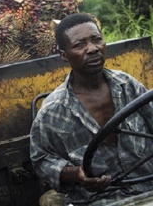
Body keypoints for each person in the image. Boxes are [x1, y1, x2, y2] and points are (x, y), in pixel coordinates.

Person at [30, 13, 153, 205]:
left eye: (97, 40)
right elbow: (42, 159)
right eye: (79, 45)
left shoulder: (128, 85)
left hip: (148, 186)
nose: (93, 49)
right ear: (63, 55)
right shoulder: (53, 111)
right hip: (100, 200)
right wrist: (76, 174)